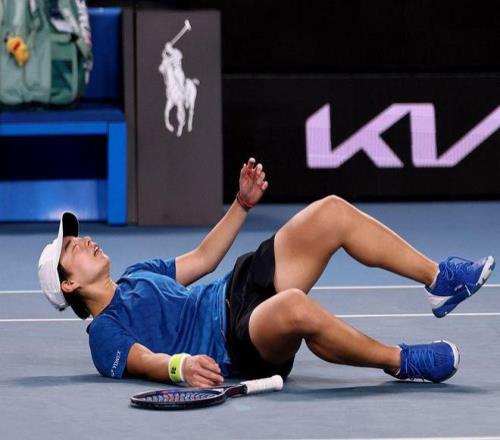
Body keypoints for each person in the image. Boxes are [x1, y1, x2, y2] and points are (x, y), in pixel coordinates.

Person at [38, 158, 495, 387]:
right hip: (238, 340)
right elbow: (143, 360)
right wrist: (180, 367)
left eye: (79, 237)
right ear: (69, 284)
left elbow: (203, 259)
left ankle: (439, 280)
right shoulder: (105, 333)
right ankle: (400, 361)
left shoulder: (138, 274)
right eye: (73, 248)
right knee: (295, 307)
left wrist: (241, 204)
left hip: (237, 285)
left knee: (331, 212)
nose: (85, 241)